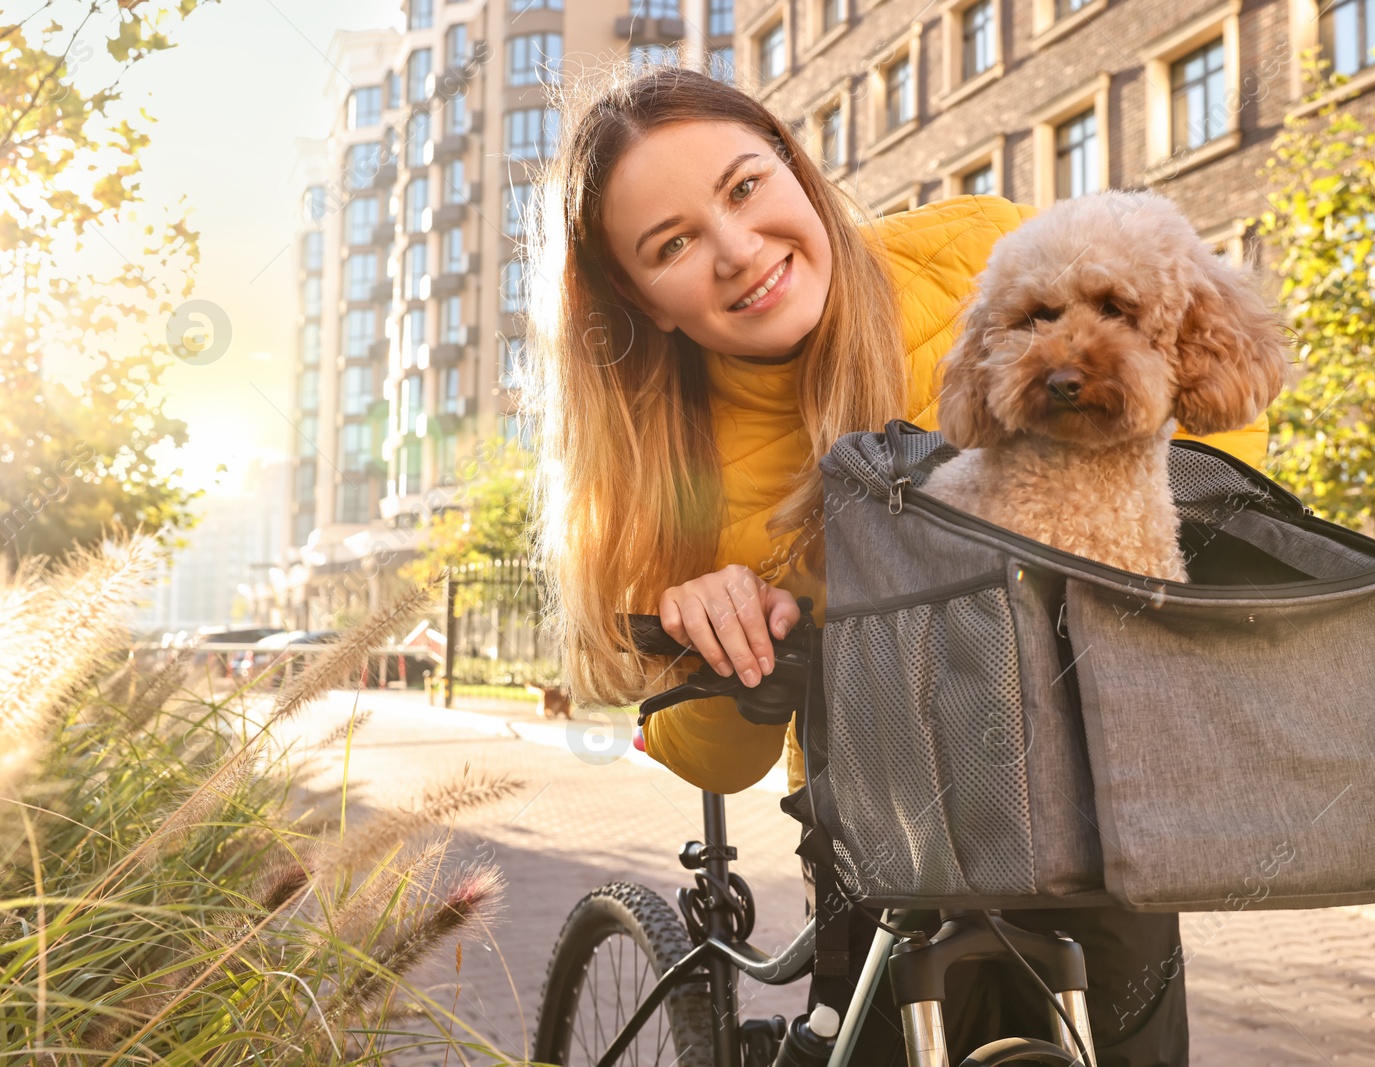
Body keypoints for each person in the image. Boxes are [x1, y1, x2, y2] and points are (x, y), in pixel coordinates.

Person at [523, 66, 1268, 1067]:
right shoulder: (664, 469)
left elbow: (1215, 414)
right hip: (879, 808)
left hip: (1094, 781)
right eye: (674, 243)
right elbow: (714, 756)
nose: (739, 251)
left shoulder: (981, 252)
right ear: (638, 295)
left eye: (745, 187)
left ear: (795, 167)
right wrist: (726, 634)